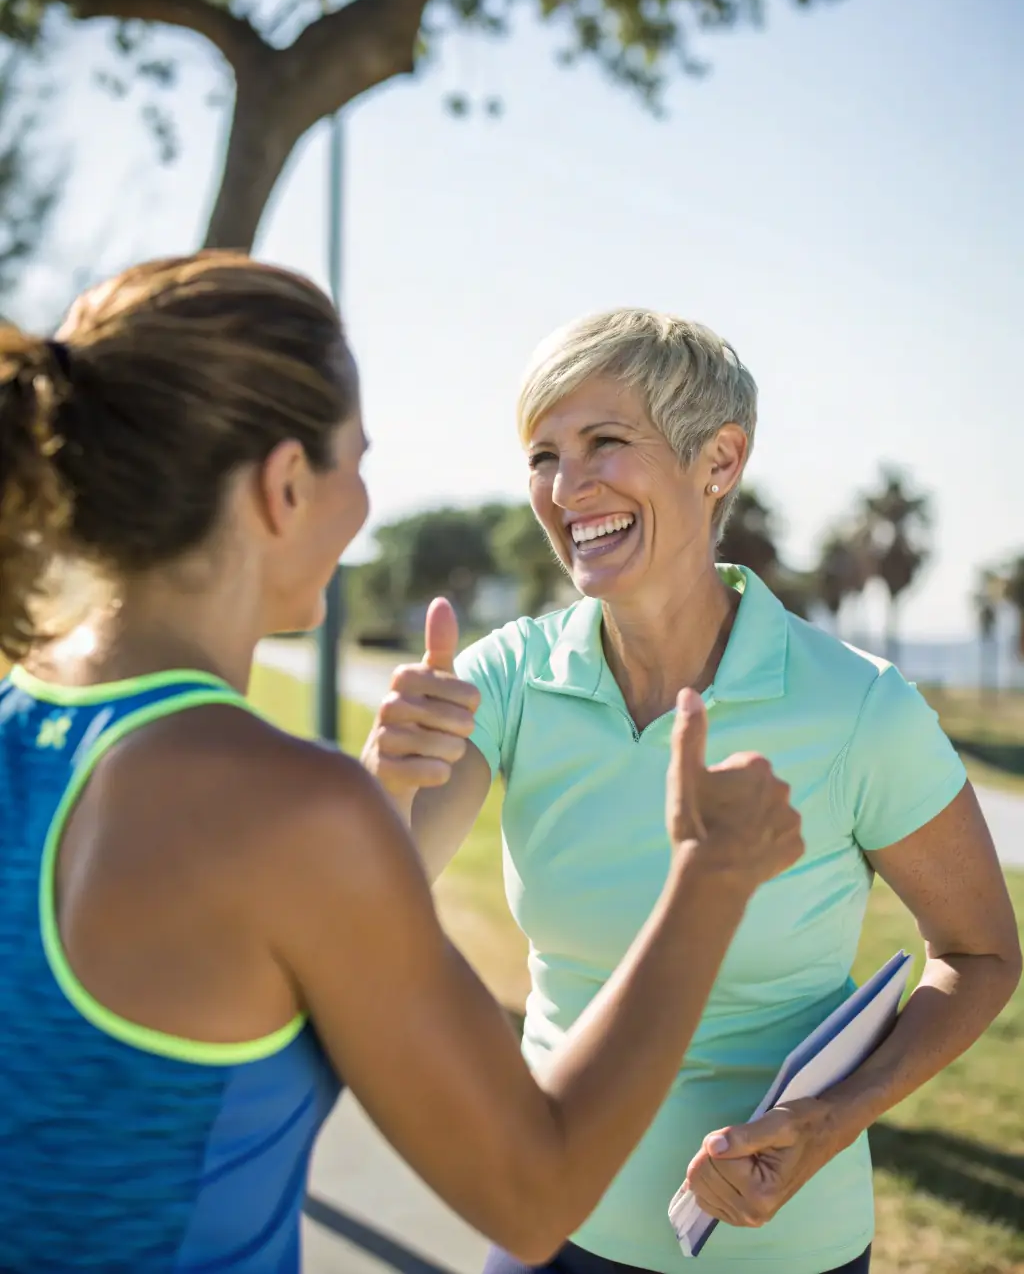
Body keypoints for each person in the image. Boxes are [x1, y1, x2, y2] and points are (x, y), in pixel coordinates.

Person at [0, 256, 805, 1274]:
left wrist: (385, 798)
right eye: (356, 462)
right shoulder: (287, 811)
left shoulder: (21, 719)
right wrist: (711, 878)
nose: (366, 510)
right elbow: (533, 1196)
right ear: (286, 486)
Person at [363, 309, 1022, 1274]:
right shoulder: (509, 673)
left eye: (605, 442)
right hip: (547, 1218)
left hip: (776, 1249)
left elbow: (980, 950)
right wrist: (387, 782)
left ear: (717, 460)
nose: (564, 486)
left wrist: (832, 1118)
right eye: (543, 454)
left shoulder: (861, 708)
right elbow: (375, 897)